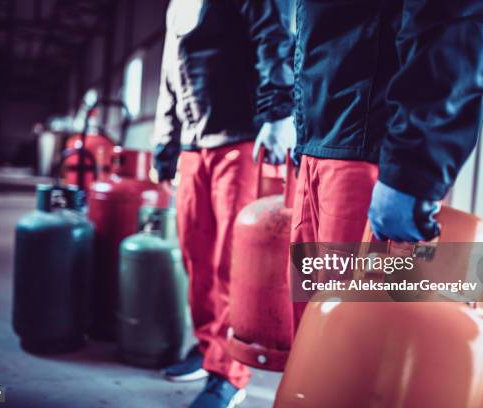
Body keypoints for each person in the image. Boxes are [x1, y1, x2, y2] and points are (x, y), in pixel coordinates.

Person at [290, 0, 483, 325]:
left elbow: (447, 17)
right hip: (320, 144)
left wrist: (413, 170)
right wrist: (301, 123)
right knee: (312, 336)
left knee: (355, 343)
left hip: (368, 156)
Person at [152, 0, 295, 406]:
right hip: (193, 144)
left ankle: (230, 374)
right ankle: (207, 347)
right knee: (195, 259)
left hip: (239, 136)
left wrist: (279, 111)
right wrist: (165, 144)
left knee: (230, 264)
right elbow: (169, 71)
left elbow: (274, 36)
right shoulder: (176, 6)